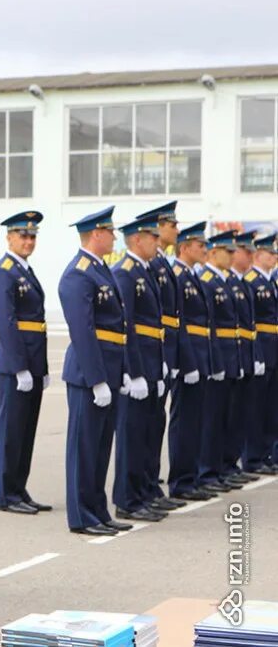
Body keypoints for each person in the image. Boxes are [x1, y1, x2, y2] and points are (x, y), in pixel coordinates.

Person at [57, 206, 131, 536]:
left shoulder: (102, 270)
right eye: (111, 231)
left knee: (101, 448)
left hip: (110, 371)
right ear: (96, 234)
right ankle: (82, 516)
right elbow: (83, 331)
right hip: (89, 376)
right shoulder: (78, 274)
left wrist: (123, 370)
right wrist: (97, 379)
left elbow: (118, 328)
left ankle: (98, 511)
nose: (115, 237)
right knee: (84, 448)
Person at [0, 211, 51, 515]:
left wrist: (43, 368)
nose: (28, 241)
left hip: (33, 364)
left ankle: (19, 489)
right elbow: (7, 323)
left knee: (26, 432)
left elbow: (37, 324)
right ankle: (6, 494)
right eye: (22, 235)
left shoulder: (25, 271)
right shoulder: (4, 273)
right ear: (9, 237)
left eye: (32, 236)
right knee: (12, 433)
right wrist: (19, 367)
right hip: (15, 366)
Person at [111, 214, 168, 522]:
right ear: (136, 239)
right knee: (132, 434)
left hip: (151, 363)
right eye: (153, 237)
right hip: (138, 366)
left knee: (146, 433)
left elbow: (154, 328)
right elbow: (127, 327)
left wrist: (158, 368)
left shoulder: (143, 271)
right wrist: (133, 372)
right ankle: (127, 499)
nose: (158, 242)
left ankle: (144, 492)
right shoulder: (126, 273)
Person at [133, 203, 185, 512]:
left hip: (161, 353)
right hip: (149, 354)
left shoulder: (161, 263)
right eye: (171, 226)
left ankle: (150, 488)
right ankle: (139, 492)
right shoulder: (144, 267)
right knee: (142, 429)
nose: (175, 231)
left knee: (154, 425)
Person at [167, 223, 215, 501]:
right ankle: (181, 480)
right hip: (188, 359)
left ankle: (191, 476)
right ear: (184, 247)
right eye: (199, 245)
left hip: (200, 355)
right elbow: (180, 323)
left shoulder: (189, 275)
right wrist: (187, 363)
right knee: (184, 420)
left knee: (195, 420)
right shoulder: (178, 275)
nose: (204, 249)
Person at [196, 232, 245, 495]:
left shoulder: (222, 281)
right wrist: (213, 360)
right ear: (214, 253)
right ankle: (207, 470)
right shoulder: (206, 280)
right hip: (217, 355)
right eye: (228, 251)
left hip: (230, 354)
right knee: (212, 418)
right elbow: (210, 326)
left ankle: (222, 467)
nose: (233, 255)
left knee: (226, 416)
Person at [224, 231, 263, 484]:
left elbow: (250, 325)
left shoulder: (239, 283)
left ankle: (229, 465)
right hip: (222, 357)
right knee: (218, 418)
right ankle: (211, 469)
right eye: (242, 251)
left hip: (242, 353)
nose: (248, 255)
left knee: (240, 413)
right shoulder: (219, 281)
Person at [243, 233, 278, 474]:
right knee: (255, 407)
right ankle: (252, 457)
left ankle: (267, 454)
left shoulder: (270, 281)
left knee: (270, 406)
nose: (274, 257)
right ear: (257, 255)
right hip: (261, 347)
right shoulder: (252, 281)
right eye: (270, 253)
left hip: (273, 347)